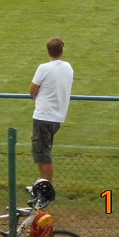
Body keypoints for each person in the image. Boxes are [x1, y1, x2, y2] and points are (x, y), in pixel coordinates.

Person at [30, 37, 74, 183]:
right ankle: (41, 183)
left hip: (44, 115)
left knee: (43, 154)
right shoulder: (68, 67)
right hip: (57, 116)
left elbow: (32, 90)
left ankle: (46, 189)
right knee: (43, 152)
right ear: (62, 51)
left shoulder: (44, 68)